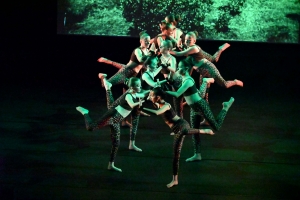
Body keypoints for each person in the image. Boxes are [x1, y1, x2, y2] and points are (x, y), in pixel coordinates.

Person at [142, 86, 214, 188]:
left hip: (181, 125)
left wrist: (142, 108)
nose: (150, 97)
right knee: (175, 156)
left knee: (183, 133)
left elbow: (157, 112)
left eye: (152, 96)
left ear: (158, 97)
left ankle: (203, 131)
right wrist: (147, 96)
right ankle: (175, 180)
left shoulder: (166, 105)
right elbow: (148, 95)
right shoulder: (155, 101)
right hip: (175, 129)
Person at [165, 59, 235, 162]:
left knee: (216, 127)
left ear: (186, 69)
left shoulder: (188, 80)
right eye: (178, 67)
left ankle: (225, 107)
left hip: (201, 105)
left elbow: (177, 94)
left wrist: (163, 91)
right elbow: (171, 78)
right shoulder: (182, 77)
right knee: (195, 131)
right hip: (194, 108)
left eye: (180, 67)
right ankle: (197, 154)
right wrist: (169, 70)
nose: (178, 69)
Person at [76, 77, 149, 172]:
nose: (140, 87)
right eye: (138, 86)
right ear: (132, 87)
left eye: (140, 85)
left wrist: (151, 91)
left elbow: (143, 93)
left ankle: (111, 165)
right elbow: (131, 104)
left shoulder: (136, 93)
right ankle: (85, 112)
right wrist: (139, 103)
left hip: (116, 121)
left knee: (116, 143)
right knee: (90, 127)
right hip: (111, 117)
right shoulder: (128, 95)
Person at [170, 31, 243, 88]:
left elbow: (179, 54)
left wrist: (168, 51)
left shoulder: (194, 48)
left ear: (194, 41)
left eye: (189, 40)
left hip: (209, 68)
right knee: (203, 92)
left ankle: (235, 82)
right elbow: (185, 53)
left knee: (225, 84)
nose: (187, 42)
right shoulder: (189, 48)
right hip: (202, 71)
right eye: (186, 40)